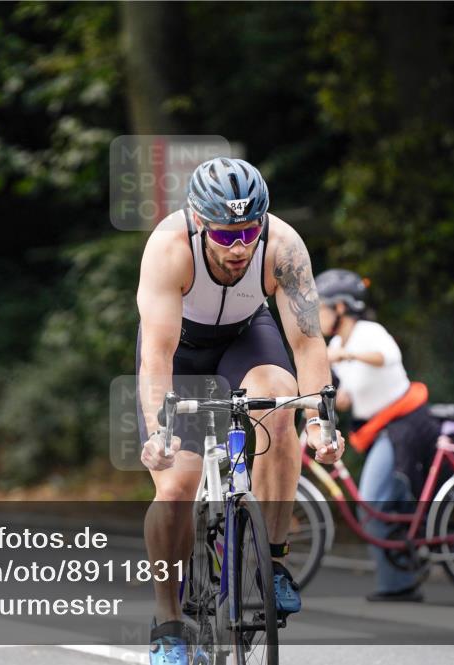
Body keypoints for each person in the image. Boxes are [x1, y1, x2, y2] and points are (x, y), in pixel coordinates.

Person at [136, 157, 344, 664]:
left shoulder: (283, 246)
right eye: (227, 235)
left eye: (249, 232)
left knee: (279, 400)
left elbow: (309, 342)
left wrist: (319, 422)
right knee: (176, 488)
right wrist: (159, 433)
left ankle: (272, 562)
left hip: (247, 336)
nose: (240, 247)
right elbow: (157, 355)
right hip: (182, 351)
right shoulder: (169, 247)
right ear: (201, 221)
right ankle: (168, 625)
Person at [316, 269, 439, 602]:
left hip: (404, 424)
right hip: (380, 428)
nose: (318, 315)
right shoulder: (337, 344)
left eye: (322, 307)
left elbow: (389, 357)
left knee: (372, 502)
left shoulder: (368, 333)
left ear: (340, 307)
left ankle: (400, 583)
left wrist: (347, 355)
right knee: (381, 505)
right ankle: (403, 574)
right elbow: (353, 390)